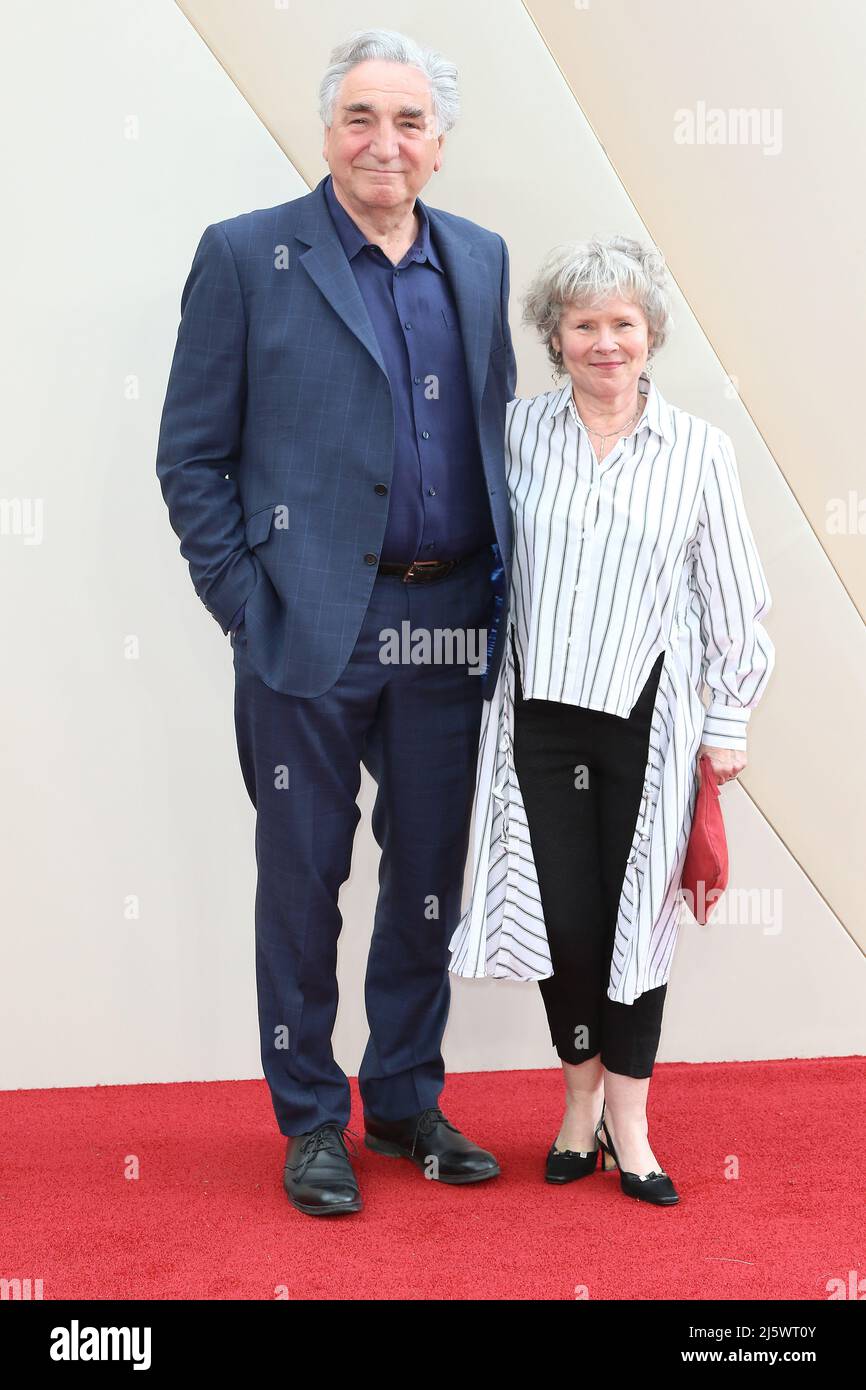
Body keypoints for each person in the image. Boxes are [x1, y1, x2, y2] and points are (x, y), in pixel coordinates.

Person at [155, 28, 517, 1216]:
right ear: (326, 132)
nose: (384, 142)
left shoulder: (476, 257)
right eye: (361, 118)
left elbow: (490, 430)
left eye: (408, 121)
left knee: (427, 874)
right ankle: (310, 1117)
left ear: (439, 143)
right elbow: (192, 456)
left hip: (449, 619)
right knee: (301, 880)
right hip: (308, 627)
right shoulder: (245, 254)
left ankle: (404, 1096)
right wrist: (246, 608)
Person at [450, 236, 775, 1205]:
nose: (603, 342)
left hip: (645, 724)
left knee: (637, 928)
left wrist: (727, 726)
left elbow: (734, 604)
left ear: (649, 335)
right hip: (537, 721)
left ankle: (630, 1126)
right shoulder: (511, 435)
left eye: (621, 324)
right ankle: (577, 1103)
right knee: (564, 923)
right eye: (583, 324)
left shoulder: (699, 453)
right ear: (554, 336)